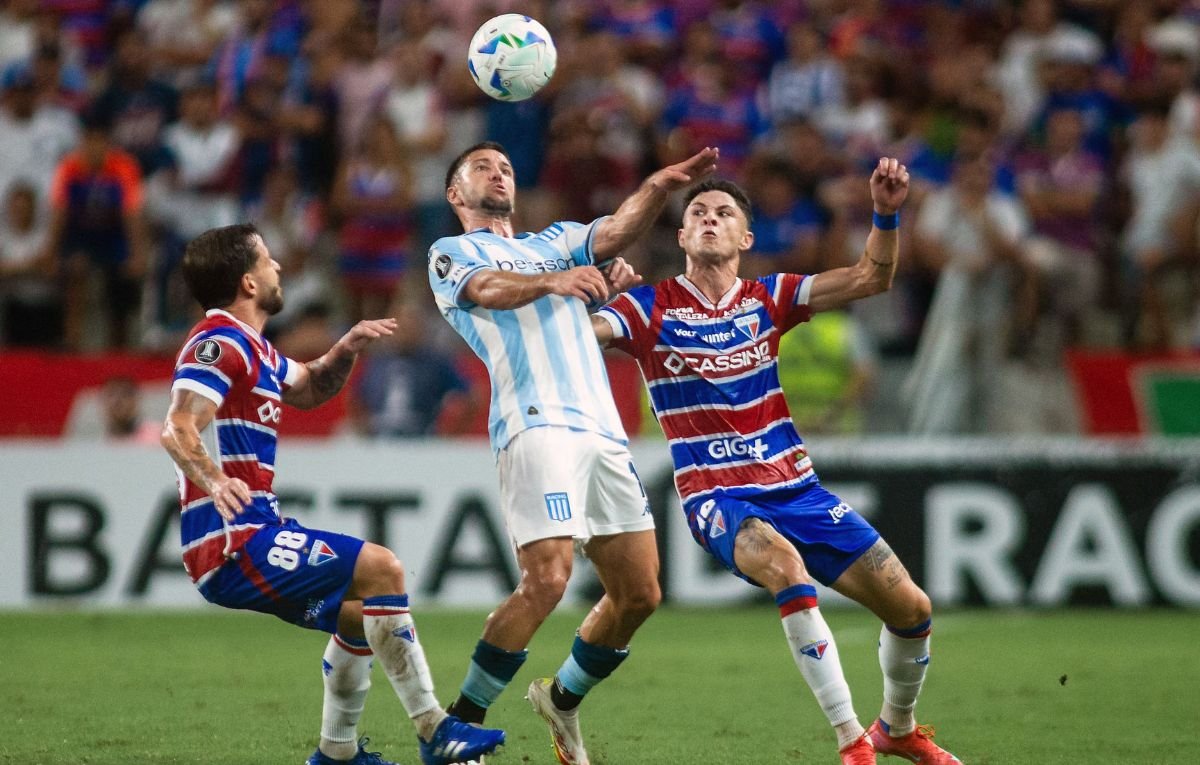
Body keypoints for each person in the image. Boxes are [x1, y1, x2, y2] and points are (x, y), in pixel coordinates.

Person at [593, 161, 963, 764]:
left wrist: (884, 213)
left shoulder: (771, 296)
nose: (709, 219)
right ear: (681, 236)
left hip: (798, 490)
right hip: (719, 497)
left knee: (913, 609)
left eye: (724, 213)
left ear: (746, 238)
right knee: (788, 569)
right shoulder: (645, 308)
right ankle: (852, 741)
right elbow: (581, 335)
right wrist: (586, 290)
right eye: (697, 213)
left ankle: (897, 728)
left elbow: (872, 277)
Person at [159, 223, 505, 765]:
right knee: (383, 569)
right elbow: (177, 426)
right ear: (248, 282)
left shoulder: (256, 349)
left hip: (256, 530)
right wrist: (216, 480)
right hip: (230, 541)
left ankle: (336, 753)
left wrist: (344, 350)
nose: (278, 268)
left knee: (361, 615)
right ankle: (434, 730)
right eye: (267, 260)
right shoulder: (217, 344)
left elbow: (312, 386)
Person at [428, 141, 718, 765]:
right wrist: (555, 281)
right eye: (483, 167)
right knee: (547, 580)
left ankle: (561, 698)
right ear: (455, 193)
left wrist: (659, 185)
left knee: (640, 593)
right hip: (536, 423)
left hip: (602, 432)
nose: (499, 172)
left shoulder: (554, 240)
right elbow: (488, 290)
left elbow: (615, 231)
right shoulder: (452, 252)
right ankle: (457, 729)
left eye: (507, 166)